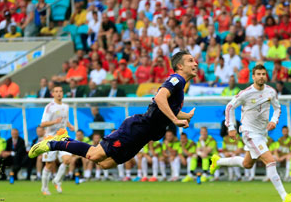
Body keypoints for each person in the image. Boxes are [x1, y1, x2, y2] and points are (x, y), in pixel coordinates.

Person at [29, 51, 197, 176]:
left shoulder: (180, 87)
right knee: (94, 154)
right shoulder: (177, 80)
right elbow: (160, 98)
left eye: (195, 60)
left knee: (106, 164)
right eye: (190, 60)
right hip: (138, 129)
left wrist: (184, 116)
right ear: (180, 66)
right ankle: (56, 142)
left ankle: (64, 141)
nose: (195, 63)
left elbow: (164, 107)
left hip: (144, 136)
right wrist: (175, 120)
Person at [210, 64, 291, 202]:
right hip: (249, 132)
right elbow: (229, 107)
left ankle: (218, 161)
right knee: (270, 161)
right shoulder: (245, 93)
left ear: (266, 76)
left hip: (262, 133)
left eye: (263, 74)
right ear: (253, 76)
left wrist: (273, 121)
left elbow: (277, 109)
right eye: (258, 74)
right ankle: (285, 196)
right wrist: (231, 127)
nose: (261, 76)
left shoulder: (271, 92)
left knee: (247, 164)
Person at [39, 85, 75, 195]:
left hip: (62, 136)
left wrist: (69, 125)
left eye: (60, 91)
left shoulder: (66, 106)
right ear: (53, 94)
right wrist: (54, 122)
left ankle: (57, 180)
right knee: (49, 165)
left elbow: (65, 119)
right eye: (56, 91)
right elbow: (43, 124)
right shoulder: (49, 107)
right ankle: (44, 188)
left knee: (67, 159)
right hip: (51, 138)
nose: (59, 93)